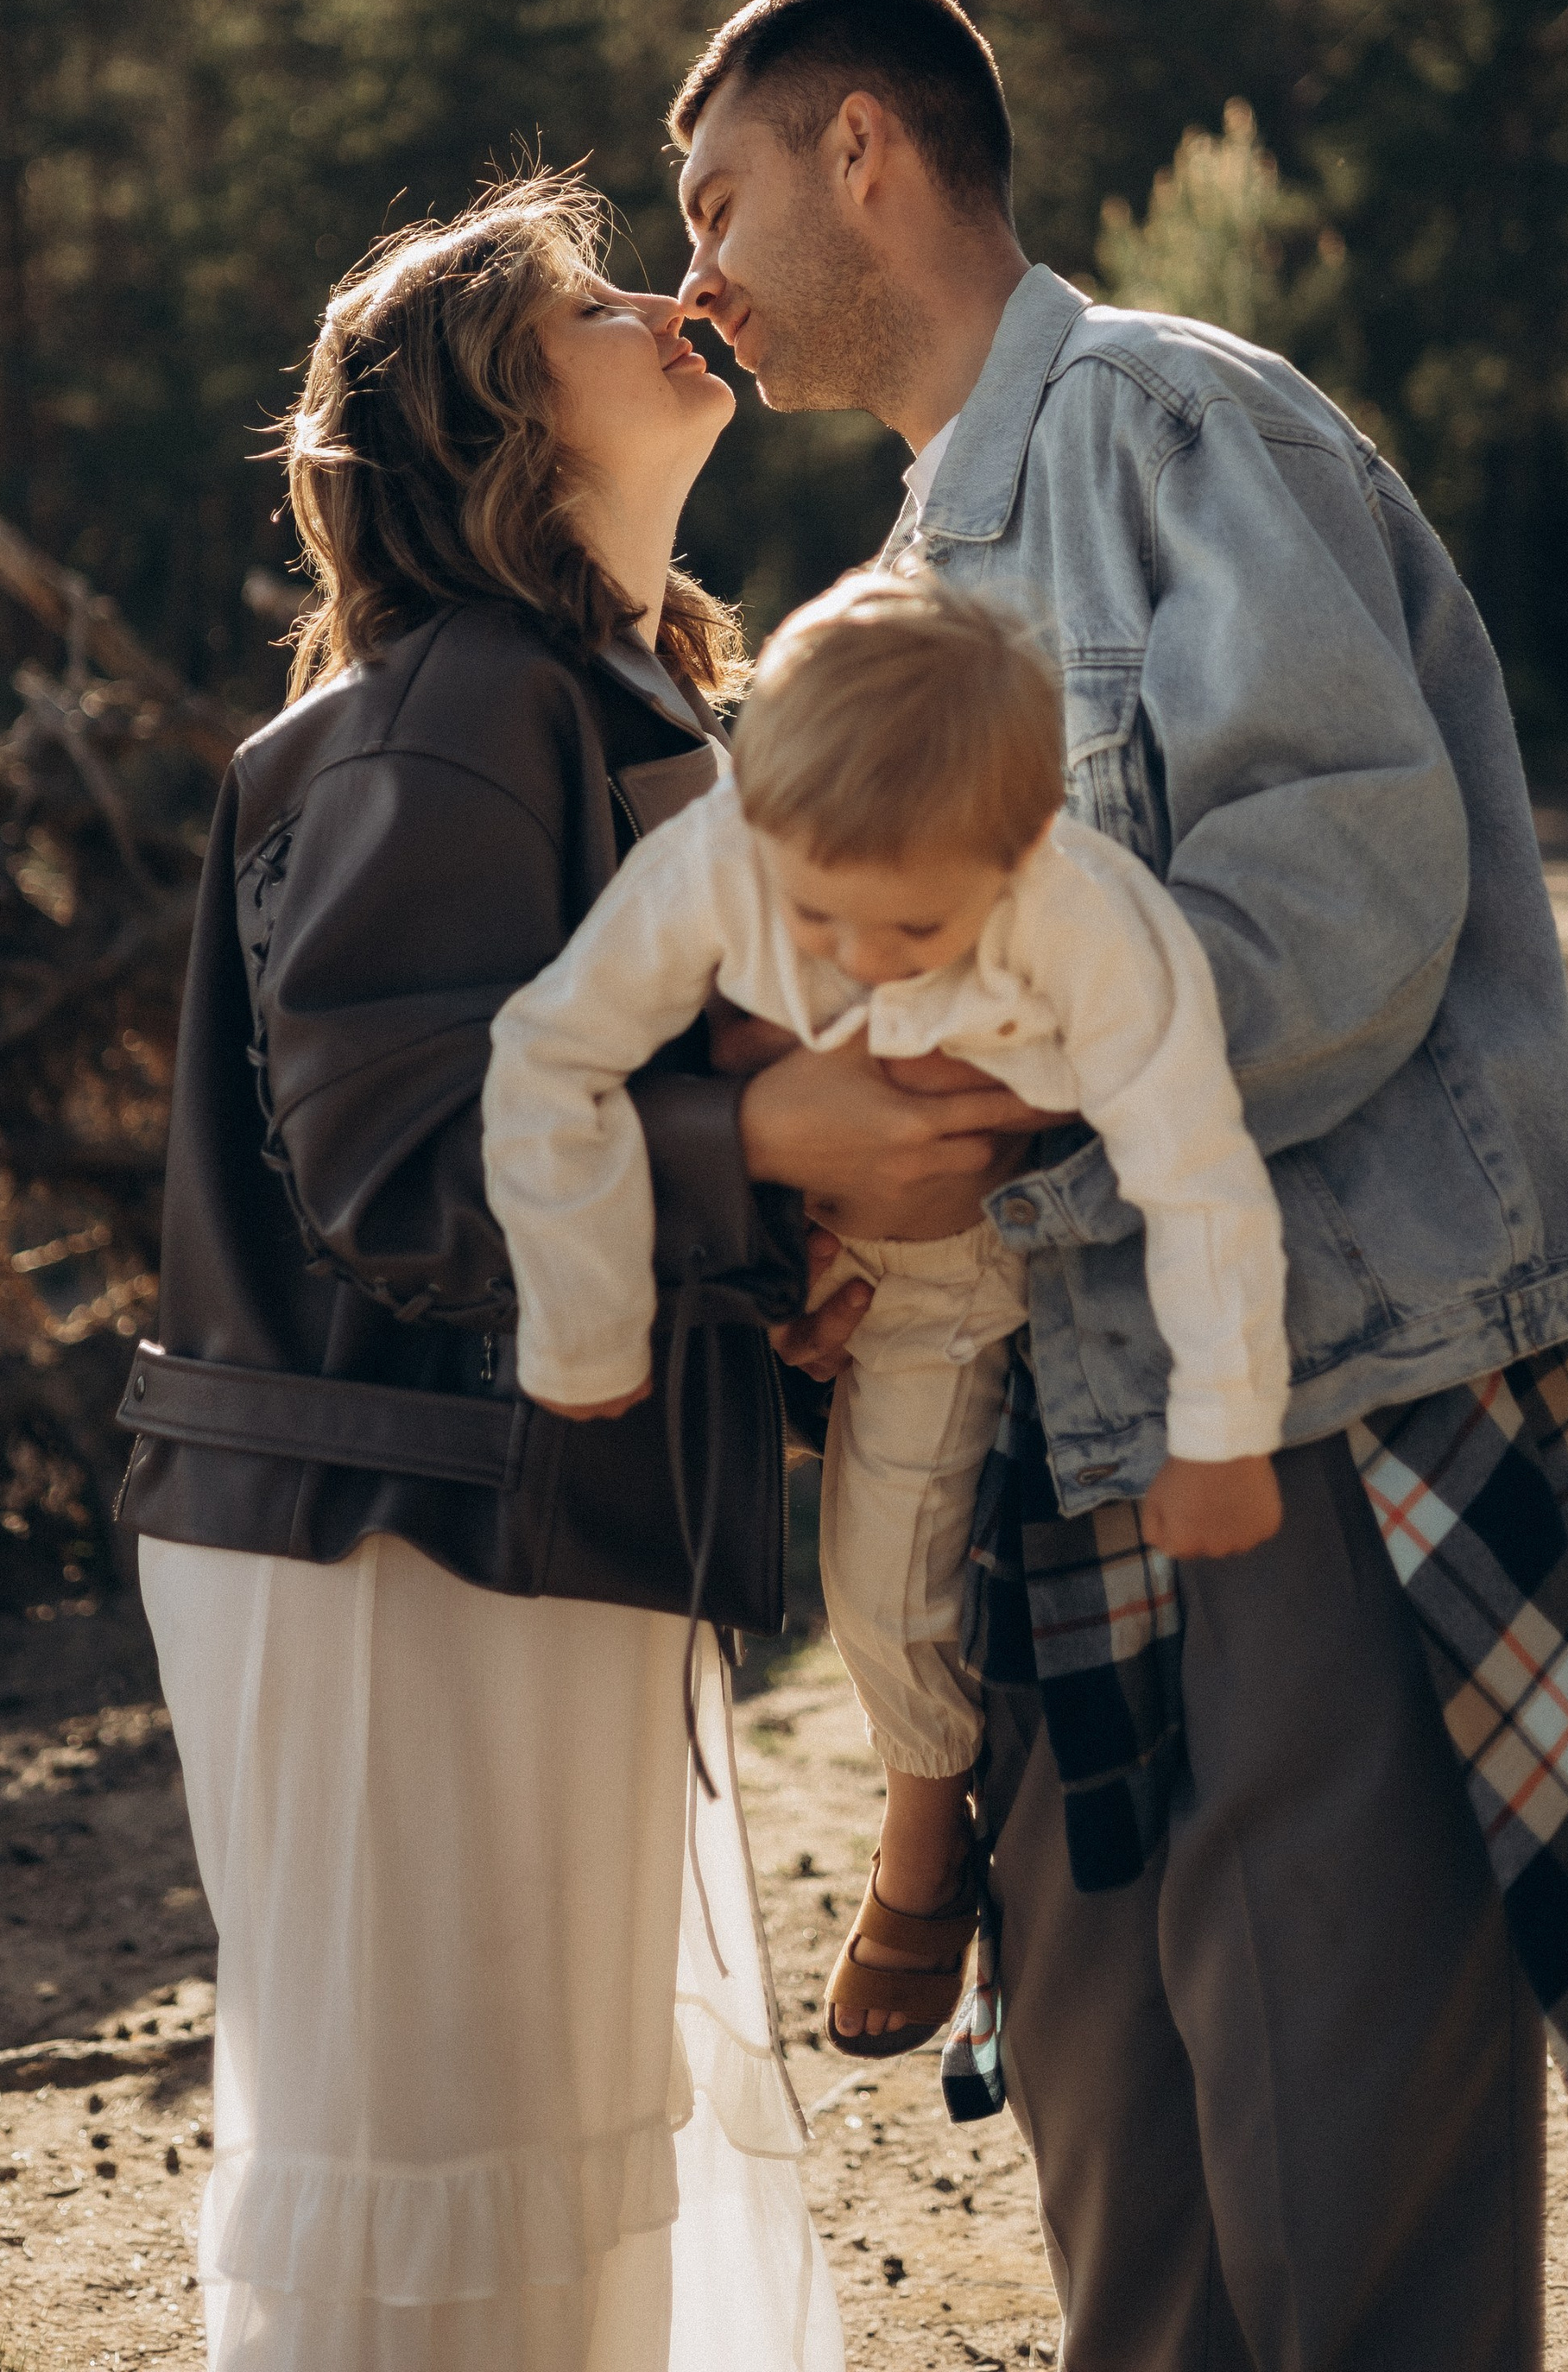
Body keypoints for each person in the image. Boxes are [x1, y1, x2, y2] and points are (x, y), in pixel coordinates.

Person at [660, 0, 1568, 2372]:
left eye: (715, 195)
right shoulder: (908, 568)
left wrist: (989, 1114)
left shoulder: (1170, 422)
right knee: (1128, 2189)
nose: (696, 276)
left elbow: (1347, 882)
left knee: (1340, 2183)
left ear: (869, 149)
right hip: (1049, 1459)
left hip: (1311, 1423)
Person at [114, 179, 858, 2372]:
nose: (662, 300)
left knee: (542, 2146)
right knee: (445, 2167)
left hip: (508, 1523)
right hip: (390, 1546)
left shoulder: (603, 688)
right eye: (588, 299)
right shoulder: (449, 707)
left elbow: (581, 1131)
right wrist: (768, 1153)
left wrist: (765, 1271)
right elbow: (406, 1167)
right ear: (484, 422)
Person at [481, 567, 1288, 2059]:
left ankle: (927, 1829)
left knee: (874, 1577)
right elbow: (548, 1060)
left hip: (976, 1250)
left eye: (910, 928)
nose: (852, 958)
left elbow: (1199, 1170)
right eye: (813, 912)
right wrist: (589, 1325)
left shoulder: (1088, 920)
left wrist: (1222, 1431)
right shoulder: (719, 860)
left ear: (1024, 852)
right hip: (771, 1217)